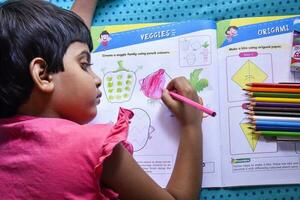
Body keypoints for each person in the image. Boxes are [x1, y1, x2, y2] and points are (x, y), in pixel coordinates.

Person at [0, 0, 203, 199]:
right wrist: (191, 125)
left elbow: (59, 51)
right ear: (42, 75)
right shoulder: (94, 149)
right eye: (84, 65)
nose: (96, 79)